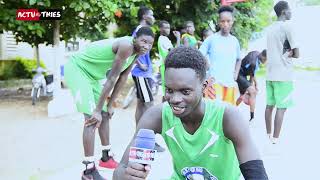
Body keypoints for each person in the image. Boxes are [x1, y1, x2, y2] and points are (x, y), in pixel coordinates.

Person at [113, 47, 268, 180]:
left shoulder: (228, 117)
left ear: (204, 86)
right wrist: (128, 175)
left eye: (185, 91)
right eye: (169, 90)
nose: (174, 99)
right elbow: (120, 170)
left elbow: (256, 173)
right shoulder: (156, 117)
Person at [64, 27, 155, 179]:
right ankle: (88, 171)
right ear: (135, 39)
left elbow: (123, 78)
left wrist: (110, 104)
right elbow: (112, 78)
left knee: (106, 114)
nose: (146, 46)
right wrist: (97, 110)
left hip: (92, 77)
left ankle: (106, 157)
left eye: (150, 44)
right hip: (78, 69)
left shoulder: (137, 53)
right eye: (144, 41)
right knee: (92, 119)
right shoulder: (126, 46)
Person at [131, 6, 165, 152]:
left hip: (143, 74)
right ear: (145, 16)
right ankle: (149, 140)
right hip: (141, 74)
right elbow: (133, 46)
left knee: (140, 105)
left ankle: (139, 136)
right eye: (151, 15)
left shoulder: (145, 30)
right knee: (150, 106)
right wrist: (141, 64)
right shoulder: (139, 30)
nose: (154, 18)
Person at [265, 1, 299, 144]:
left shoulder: (270, 28)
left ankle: (268, 134)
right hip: (283, 74)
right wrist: (291, 54)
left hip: (270, 73)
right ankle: (275, 139)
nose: (291, 12)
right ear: (284, 12)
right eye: (289, 10)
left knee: (269, 106)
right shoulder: (287, 27)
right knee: (282, 107)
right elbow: (297, 53)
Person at [200, 6, 242, 105]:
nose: (225, 24)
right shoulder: (211, 39)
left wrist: (235, 73)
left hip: (229, 84)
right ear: (219, 22)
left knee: (227, 114)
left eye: (228, 21)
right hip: (214, 84)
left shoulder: (234, 41)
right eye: (223, 21)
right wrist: (206, 69)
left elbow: (239, 59)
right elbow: (199, 55)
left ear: (233, 21)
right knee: (213, 113)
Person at [236, 50, 267, 121]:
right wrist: (251, 87)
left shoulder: (256, 53)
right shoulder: (253, 63)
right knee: (253, 92)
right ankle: (252, 118)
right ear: (263, 56)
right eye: (266, 60)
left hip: (241, 74)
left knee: (242, 96)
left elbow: (251, 72)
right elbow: (251, 79)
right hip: (239, 74)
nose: (265, 62)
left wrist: (256, 83)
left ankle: (230, 110)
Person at [158, 20, 181, 97]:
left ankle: (164, 108)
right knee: (168, 91)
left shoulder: (162, 39)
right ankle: (164, 108)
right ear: (160, 29)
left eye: (169, 28)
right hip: (166, 67)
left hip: (164, 66)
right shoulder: (164, 39)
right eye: (166, 28)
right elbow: (175, 52)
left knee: (166, 90)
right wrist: (178, 38)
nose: (168, 30)